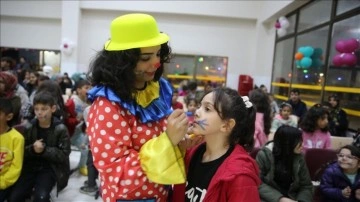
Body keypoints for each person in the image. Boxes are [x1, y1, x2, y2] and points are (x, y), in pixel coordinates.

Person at [86, 13, 188, 202]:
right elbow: (116, 174)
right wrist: (168, 142)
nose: (156, 63)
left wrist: (181, 142)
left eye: (158, 54)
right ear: (122, 61)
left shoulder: (156, 90)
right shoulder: (107, 106)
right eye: (145, 57)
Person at [172, 87, 261, 202]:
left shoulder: (240, 176)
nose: (197, 112)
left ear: (226, 125)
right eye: (200, 106)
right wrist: (178, 150)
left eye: (207, 109)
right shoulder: (190, 151)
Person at [8, 91, 71, 202]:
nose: (39, 113)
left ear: (53, 109)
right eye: (36, 109)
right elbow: (20, 152)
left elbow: (64, 154)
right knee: (14, 198)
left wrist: (44, 150)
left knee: (41, 197)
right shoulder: (29, 127)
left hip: (50, 168)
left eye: (44, 109)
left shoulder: (60, 128)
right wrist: (33, 149)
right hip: (29, 167)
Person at [256, 125, 313, 202]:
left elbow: (306, 186)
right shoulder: (264, 155)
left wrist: (302, 200)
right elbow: (258, 183)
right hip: (269, 198)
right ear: (287, 143)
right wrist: (280, 199)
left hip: (293, 197)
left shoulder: (299, 157)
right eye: (299, 141)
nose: (302, 145)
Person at [0, 97, 24, 202]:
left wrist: (2, 182)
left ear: (9, 117)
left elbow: (15, 168)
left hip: (4, 182)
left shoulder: (17, 138)